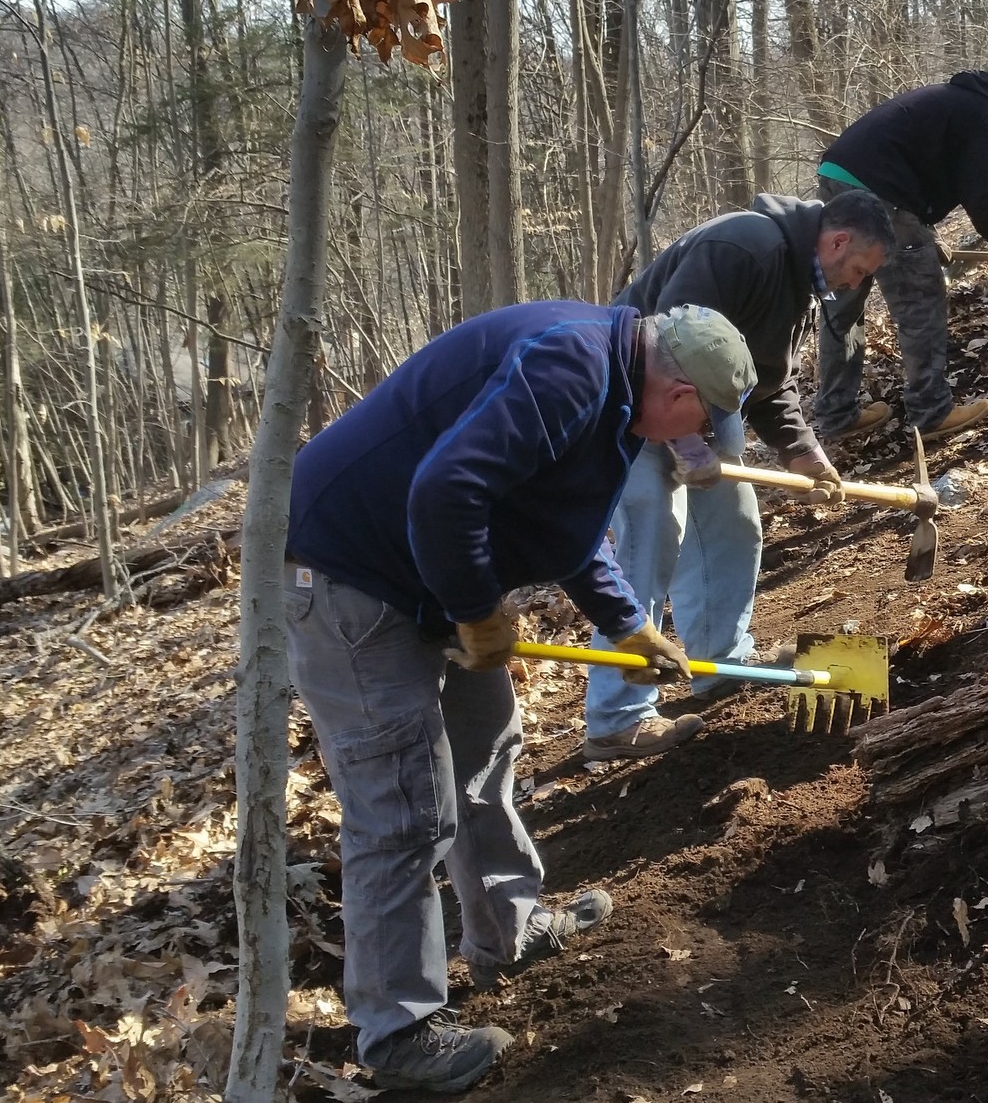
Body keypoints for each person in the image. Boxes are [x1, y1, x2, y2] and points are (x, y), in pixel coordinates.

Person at [285, 301, 756, 1090]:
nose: (696, 437)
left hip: (424, 566)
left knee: (486, 742)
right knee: (403, 804)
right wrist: (476, 612)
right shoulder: (572, 367)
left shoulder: (616, 388)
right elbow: (445, 490)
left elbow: (564, 526)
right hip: (349, 572)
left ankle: (508, 928)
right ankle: (396, 1032)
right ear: (679, 392)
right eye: (703, 421)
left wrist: (629, 624)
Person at [581, 190, 897, 760]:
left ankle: (720, 661)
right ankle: (616, 718)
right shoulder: (744, 247)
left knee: (735, 522)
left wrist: (802, 451)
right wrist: (683, 441)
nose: (856, 284)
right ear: (837, 241)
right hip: (633, 397)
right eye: (857, 270)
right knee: (653, 534)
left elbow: (769, 379)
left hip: (704, 402)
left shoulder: (800, 282)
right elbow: (665, 347)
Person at [811, 51, 988, 445]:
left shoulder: (958, 100)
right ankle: (931, 410)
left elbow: (929, 168)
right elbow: (983, 199)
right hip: (879, 192)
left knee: (844, 299)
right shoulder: (983, 115)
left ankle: (836, 412)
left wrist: (923, 231)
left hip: (838, 175)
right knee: (920, 298)